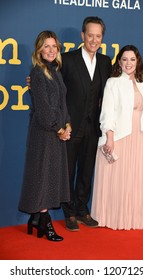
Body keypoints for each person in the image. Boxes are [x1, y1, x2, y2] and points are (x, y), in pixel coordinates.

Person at [91, 45, 143, 230]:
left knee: (137, 179)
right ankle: (113, 217)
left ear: (137, 61)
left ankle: (134, 217)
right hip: (120, 136)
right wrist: (110, 138)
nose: (128, 63)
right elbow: (107, 113)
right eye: (124, 59)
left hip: (140, 136)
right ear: (119, 62)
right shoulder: (113, 83)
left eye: (132, 59)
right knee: (118, 180)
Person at [18, 31, 72, 241]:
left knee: (49, 176)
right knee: (43, 176)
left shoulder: (55, 71)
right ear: (39, 49)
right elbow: (43, 108)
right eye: (46, 46)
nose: (51, 50)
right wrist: (58, 128)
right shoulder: (38, 73)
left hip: (56, 132)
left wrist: (67, 125)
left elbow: (62, 103)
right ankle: (43, 220)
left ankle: (36, 218)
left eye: (54, 46)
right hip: (43, 133)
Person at [60, 16, 112, 231]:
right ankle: (69, 212)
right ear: (83, 36)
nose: (93, 39)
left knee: (87, 171)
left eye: (98, 36)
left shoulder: (105, 62)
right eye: (90, 35)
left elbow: (115, 90)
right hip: (71, 128)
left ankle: (82, 209)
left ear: (102, 38)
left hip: (94, 128)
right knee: (69, 171)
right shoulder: (67, 59)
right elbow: (57, 91)